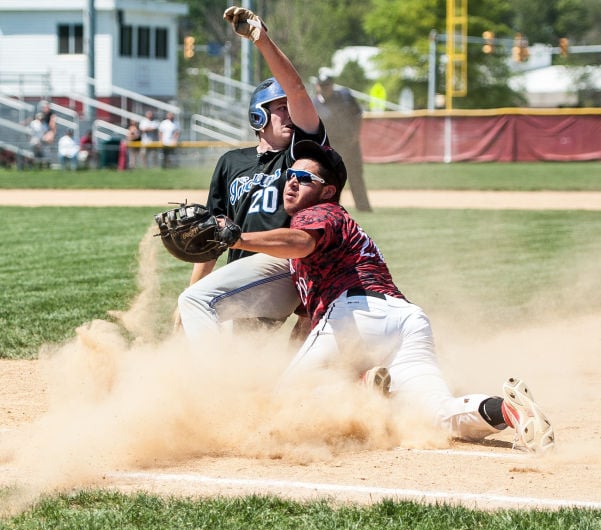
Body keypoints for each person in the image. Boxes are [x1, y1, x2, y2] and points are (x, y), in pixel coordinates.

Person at [225, 140, 556, 453]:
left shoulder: (321, 213)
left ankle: (361, 387)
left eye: (303, 178)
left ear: (327, 191)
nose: (291, 183)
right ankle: (510, 411)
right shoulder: (345, 229)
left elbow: (301, 241)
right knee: (439, 416)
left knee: (284, 405)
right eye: (288, 175)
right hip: (407, 321)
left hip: (354, 316)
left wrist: (235, 237)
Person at [177, 5, 328, 338]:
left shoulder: (302, 154)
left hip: (291, 266)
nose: (289, 113)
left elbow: (298, 89)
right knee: (253, 356)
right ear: (258, 116)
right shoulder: (232, 163)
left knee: (198, 303)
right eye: (279, 108)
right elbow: (211, 236)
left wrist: (262, 41)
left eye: (291, 107)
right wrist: (192, 291)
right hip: (246, 274)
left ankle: (213, 383)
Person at [312, 73, 372, 212]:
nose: (325, 88)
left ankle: (363, 207)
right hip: (331, 146)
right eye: (322, 85)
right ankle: (333, 208)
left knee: (355, 174)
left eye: (328, 85)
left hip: (350, 144)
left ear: (332, 85)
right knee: (332, 177)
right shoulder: (314, 104)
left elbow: (357, 114)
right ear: (317, 86)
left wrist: (356, 135)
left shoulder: (345, 96)